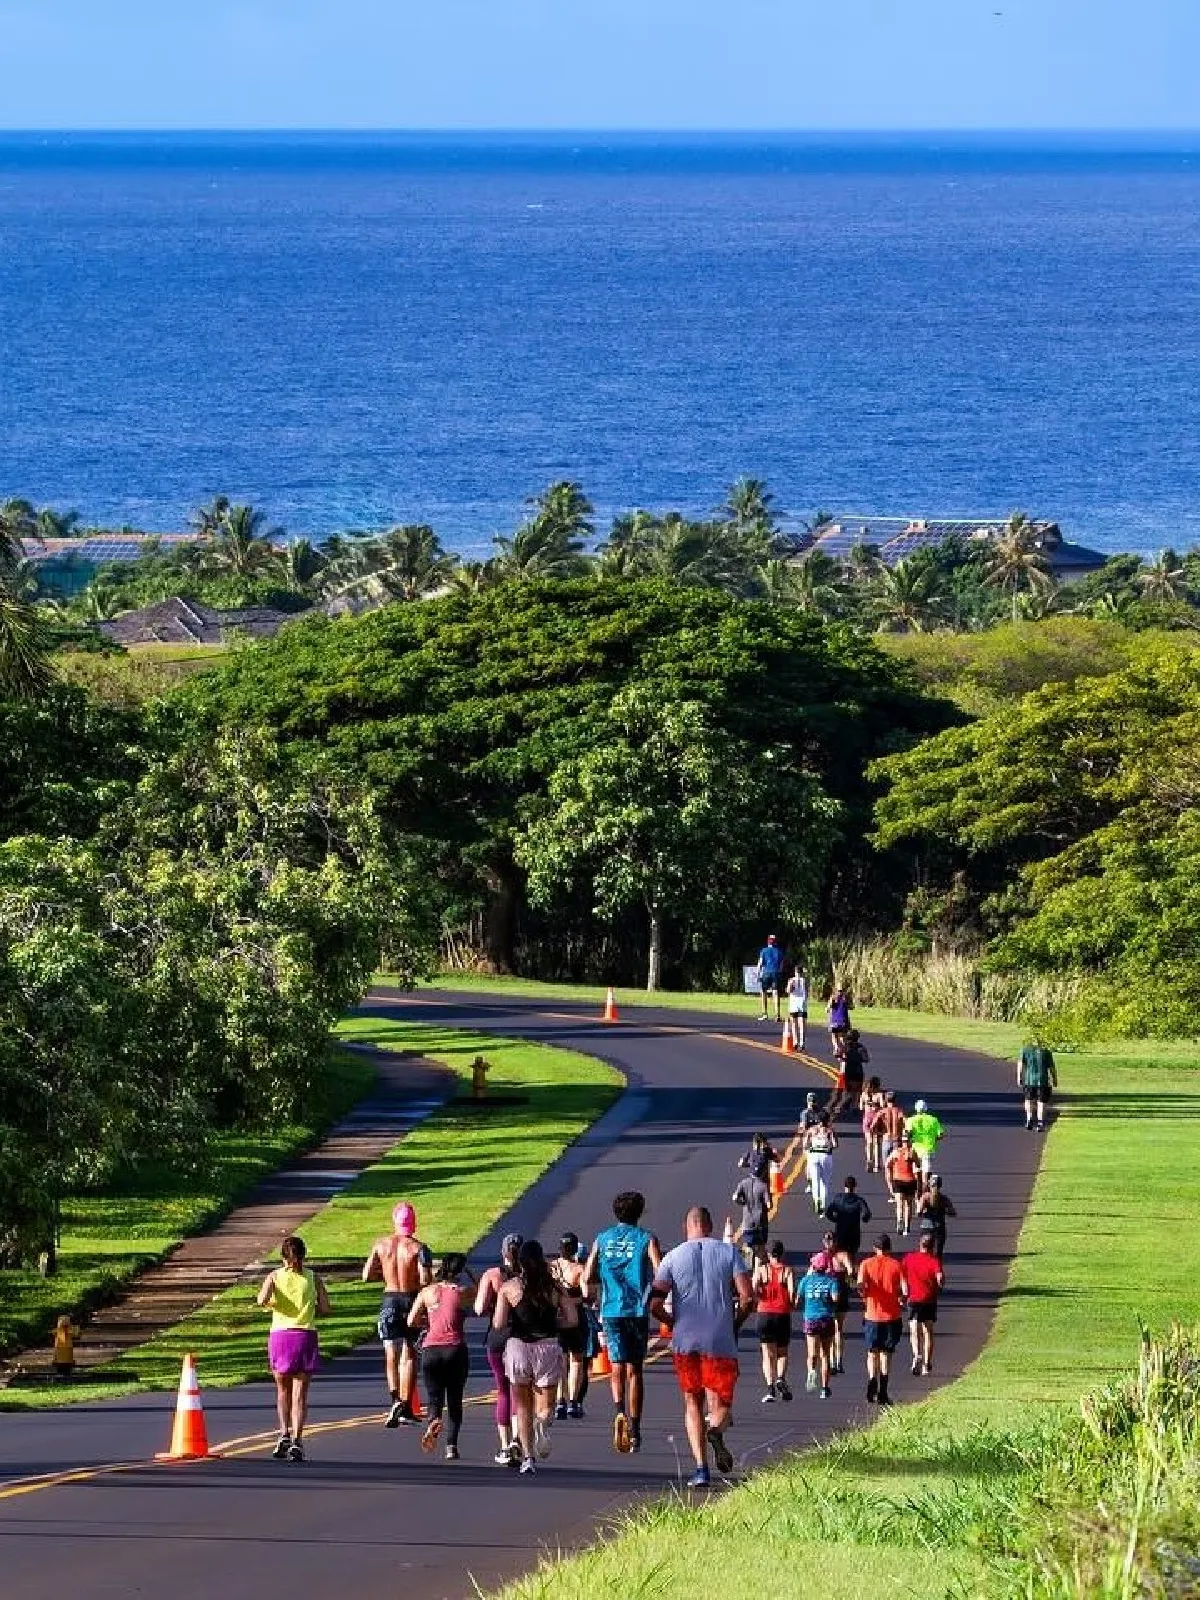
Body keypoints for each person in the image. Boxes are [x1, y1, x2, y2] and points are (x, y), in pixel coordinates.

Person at [648, 1206, 754, 1489]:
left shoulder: (672, 1257)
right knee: (721, 1403)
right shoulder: (729, 1253)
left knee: (692, 1401)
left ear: (686, 1226)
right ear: (710, 1225)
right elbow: (748, 1298)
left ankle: (701, 1468)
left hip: (685, 1340)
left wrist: (672, 1322)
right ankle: (715, 1430)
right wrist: (735, 1324)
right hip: (719, 1338)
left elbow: (654, 1303)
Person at [582, 1190, 661, 1455]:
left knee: (616, 1365)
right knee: (635, 1369)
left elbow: (588, 1274)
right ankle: (635, 1429)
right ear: (640, 1212)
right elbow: (660, 1271)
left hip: (611, 1309)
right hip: (636, 1310)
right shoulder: (646, 1238)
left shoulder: (602, 1238)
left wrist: (599, 1284)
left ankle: (619, 1411)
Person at [492, 1239, 577, 1476]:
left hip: (518, 1347)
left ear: (519, 1262)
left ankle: (528, 1458)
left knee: (522, 1407)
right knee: (546, 1407)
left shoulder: (510, 1287)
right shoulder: (554, 1288)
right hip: (547, 1347)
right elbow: (572, 1320)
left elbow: (498, 1323)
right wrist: (554, 1324)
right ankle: (542, 1425)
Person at [257, 1235, 331, 1461]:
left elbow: (261, 1300)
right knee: (300, 1394)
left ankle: (284, 1433)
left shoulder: (275, 1276)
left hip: (280, 1335)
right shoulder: (313, 1278)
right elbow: (326, 1308)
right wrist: (311, 1307)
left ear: (283, 1257)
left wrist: (274, 1301)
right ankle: (297, 1440)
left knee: (282, 1391)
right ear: (303, 1255)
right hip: (305, 1335)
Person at [363, 1200, 433, 1427]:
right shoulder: (419, 1248)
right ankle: (405, 1404)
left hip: (389, 1299)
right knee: (409, 1353)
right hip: (410, 1300)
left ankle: (394, 1399)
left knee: (390, 1352)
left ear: (395, 1220)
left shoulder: (381, 1245)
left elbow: (366, 1275)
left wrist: (385, 1275)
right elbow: (425, 1279)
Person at [408, 1253, 475, 1460]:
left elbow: (411, 1320)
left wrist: (427, 1322)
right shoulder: (462, 1292)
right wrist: (471, 1273)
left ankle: (433, 1421)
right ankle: (451, 1446)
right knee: (455, 1400)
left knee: (434, 1398)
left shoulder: (427, 1292)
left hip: (431, 1350)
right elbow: (481, 1290)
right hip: (455, 1349)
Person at [474, 1232, 524, 1466]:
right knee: (519, 1390)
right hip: (521, 1336)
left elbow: (479, 1308)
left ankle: (505, 1445)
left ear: (503, 1251)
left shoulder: (493, 1275)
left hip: (498, 1336)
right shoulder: (529, 1275)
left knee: (503, 1391)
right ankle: (517, 1439)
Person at [857, 1233, 905, 1406]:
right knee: (886, 1353)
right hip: (891, 1316)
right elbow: (905, 1290)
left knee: (872, 1352)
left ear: (874, 1248)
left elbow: (860, 1285)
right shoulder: (897, 1265)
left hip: (872, 1315)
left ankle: (872, 1379)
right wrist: (901, 1298)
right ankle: (883, 1390)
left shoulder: (865, 1264)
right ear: (889, 1248)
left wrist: (864, 1294)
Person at [552, 1231, 591, 1419]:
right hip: (576, 1318)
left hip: (558, 1318)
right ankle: (574, 1402)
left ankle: (560, 1401)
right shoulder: (579, 1269)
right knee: (577, 1360)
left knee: (560, 1360)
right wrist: (579, 1299)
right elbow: (587, 1294)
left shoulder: (552, 1268)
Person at [752, 1240, 795, 1403]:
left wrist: (758, 1298)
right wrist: (791, 1304)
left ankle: (770, 1389)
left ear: (768, 1254)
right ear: (782, 1254)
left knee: (767, 1354)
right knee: (782, 1352)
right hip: (782, 1314)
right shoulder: (787, 1271)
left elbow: (753, 1288)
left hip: (764, 1314)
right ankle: (780, 1378)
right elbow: (792, 1292)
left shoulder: (762, 1270)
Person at [798, 1246, 841, 1398]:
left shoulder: (805, 1281)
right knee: (825, 1354)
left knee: (812, 1352)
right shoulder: (831, 1281)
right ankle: (824, 1388)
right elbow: (835, 1298)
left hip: (810, 1318)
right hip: (826, 1318)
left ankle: (811, 1371)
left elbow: (798, 1298)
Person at [901, 1232, 945, 1376]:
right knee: (928, 1331)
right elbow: (940, 1278)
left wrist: (903, 1292)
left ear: (920, 1244)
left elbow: (901, 1275)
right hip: (929, 1300)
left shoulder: (909, 1258)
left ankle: (917, 1354)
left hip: (913, 1299)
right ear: (933, 1246)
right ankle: (926, 1364)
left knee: (914, 1329)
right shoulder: (934, 1261)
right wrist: (939, 1285)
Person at [822, 1230, 856, 1376]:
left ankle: (832, 1360)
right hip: (840, 1292)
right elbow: (851, 1271)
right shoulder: (843, 1255)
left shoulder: (821, 1257)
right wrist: (849, 1281)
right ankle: (837, 1360)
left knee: (831, 1329)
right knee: (838, 1328)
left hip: (827, 1295)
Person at [824, 1174, 872, 1260]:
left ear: (844, 1186)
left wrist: (837, 1220)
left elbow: (828, 1213)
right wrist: (863, 1219)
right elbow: (866, 1214)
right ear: (855, 1186)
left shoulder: (838, 1199)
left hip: (841, 1232)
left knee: (840, 1255)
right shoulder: (859, 1200)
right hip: (854, 1234)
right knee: (851, 1256)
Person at [732, 1167, 772, 1264]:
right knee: (760, 1248)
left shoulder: (743, 1183)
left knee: (747, 1247)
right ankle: (759, 1269)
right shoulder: (763, 1186)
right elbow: (769, 1205)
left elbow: (735, 1198)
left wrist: (743, 1203)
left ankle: (747, 1266)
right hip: (760, 1223)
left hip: (747, 1223)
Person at [885, 1131, 920, 1236]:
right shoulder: (912, 1152)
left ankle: (901, 1221)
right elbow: (918, 1164)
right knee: (907, 1204)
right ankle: (905, 1226)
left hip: (900, 1180)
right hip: (908, 1180)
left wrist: (891, 1173)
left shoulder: (896, 1152)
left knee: (901, 1203)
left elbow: (887, 1164)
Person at [803, 1111, 838, 1215]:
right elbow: (835, 1144)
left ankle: (816, 1201)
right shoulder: (830, 1130)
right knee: (825, 1182)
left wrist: (811, 1146)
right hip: (825, 1155)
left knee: (815, 1181)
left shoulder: (811, 1129)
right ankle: (823, 1204)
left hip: (813, 1155)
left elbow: (805, 1144)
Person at [1018, 1039, 1058, 1131]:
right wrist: (1054, 1079)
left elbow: (1021, 1065)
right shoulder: (1046, 1051)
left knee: (1029, 1100)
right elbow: (1052, 1067)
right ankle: (1040, 1123)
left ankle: (1029, 1119)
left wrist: (1019, 1077)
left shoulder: (1025, 1050)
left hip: (1029, 1080)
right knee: (1041, 1102)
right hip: (1043, 1080)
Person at [907, 1099, 946, 1190]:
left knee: (916, 1170)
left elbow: (908, 1133)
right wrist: (934, 1139)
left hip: (916, 1149)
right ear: (926, 1109)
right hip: (928, 1148)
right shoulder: (933, 1120)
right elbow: (941, 1135)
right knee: (926, 1170)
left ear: (916, 1109)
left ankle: (918, 1188)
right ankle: (925, 1188)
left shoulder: (911, 1120)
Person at [916, 1174, 957, 1260]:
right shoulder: (944, 1199)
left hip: (926, 1227)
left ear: (929, 1185)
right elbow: (953, 1213)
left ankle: (924, 1267)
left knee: (924, 1252)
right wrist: (944, 1210)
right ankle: (937, 1267)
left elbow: (918, 1212)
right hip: (939, 1228)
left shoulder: (925, 1197)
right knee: (938, 1253)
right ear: (940, 1186)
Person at [832, 1028, 869, 1119]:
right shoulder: (861, 1047)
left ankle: (842, 1107)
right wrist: (859, 1058)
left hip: (848, 1071)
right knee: (857, 1090)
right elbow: (866, 1059)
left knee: (848, 1091)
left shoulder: (845, 1046)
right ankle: (854, 1107)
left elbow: (836, 1054)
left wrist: (843, 1058)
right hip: (858, 1071)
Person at [874, 1090, 906, 1172]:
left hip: (886, 1140)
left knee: (887, 1167)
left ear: (886, 1100)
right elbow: (906, 1124)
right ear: (895, 1100)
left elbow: (872, 1127)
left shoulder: (882, 1112)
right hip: (897, 1140)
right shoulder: (899, 1111)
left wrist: (880, 1133)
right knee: (897, 1168)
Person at [755, 934, 785, 1023]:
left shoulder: (764, 950)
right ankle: (777, 1014)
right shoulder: (779, 951)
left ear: (768, 941)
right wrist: (779, 972)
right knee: (775, 993)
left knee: (763, 992)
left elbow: (760, 963)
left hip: (766, 973)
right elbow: (781, 965)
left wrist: (758, 973)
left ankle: (764, 1013)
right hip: (776, 973)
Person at [860, 1076, 887, 1172]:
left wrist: (868, 1104)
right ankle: (877, 1164)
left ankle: (869, 1161)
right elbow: (883, 1106)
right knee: (877, 1142)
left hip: (867, 1118)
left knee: (869, 1142)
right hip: (877, 1119)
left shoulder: (863, 1094)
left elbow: (861, 1107)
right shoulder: (879, 1095)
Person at [785, 965, 809, 1049]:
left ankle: (801, 1042)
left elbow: (806, 991)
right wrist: (791, 985)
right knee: (795, 1022)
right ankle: (796, 1041)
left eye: (799, 972)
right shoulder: (792, 980)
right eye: (797, 972)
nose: (798, 974)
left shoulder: (804, 980)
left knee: (801, 1023)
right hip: (794, 1003)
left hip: (800, 1003)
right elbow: (788, 990)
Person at [827, 984, 851, 1057]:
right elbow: (851, 1007)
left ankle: (836, 1048)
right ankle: (844, 1052)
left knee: (834, 1035)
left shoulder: (833, 997)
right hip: (843, 1021)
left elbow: (827, 1008)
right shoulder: (845, 998)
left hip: (834, 1021)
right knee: (842, 1037)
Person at [52, 1314, 77, 1382]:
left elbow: (76, 1333)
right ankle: (63, 1374)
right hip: (61, 1349)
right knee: (62, 1364)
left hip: (65, 1349)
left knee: (65, 1364)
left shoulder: (67, 1331)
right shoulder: (60, 1331)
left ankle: (64, 1374)